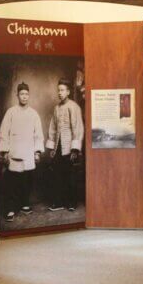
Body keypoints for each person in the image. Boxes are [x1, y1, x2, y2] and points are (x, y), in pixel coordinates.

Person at [0, 82, 44, 221]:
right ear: (17, 95)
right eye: (21, 94)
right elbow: (3, 132)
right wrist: (4, 151)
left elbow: (38, 135)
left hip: (28, 153)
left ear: (29, 96)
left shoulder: (33, 114)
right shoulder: (11, 112)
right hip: (15, 153)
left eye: (26, 94)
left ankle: (24, 203)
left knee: (27, 180)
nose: (24, 97)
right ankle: (10, 208)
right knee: (12, 182)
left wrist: (37, 152)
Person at [46, 78, 84, 212]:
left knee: (70, 176)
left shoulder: (74, 107)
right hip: (58, 147)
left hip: (69, 147)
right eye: (58, 90)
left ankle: (71, 202)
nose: (60, 93)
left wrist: (75, 149)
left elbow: (77, 128)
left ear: (68, 92)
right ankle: (58, 201)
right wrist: (51, 147)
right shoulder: (56, 108)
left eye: (62, 90)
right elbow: (53, 128)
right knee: (57, 175)